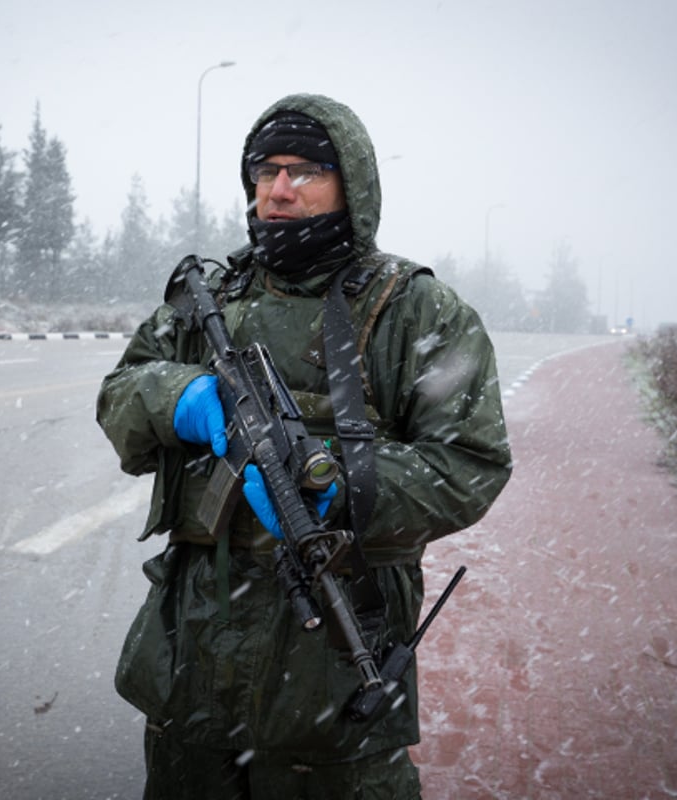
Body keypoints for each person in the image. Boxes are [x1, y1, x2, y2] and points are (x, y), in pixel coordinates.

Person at [96, 93, 512, 799]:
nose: (279, 189)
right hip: (194, 658)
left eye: (306, 170)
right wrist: (180, 398)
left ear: (350, 183)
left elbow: (471, 462)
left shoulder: (415, 310)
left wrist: (345, 480)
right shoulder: (212, 298)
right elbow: (120, 394)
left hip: (337, 669)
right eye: (266, 170)